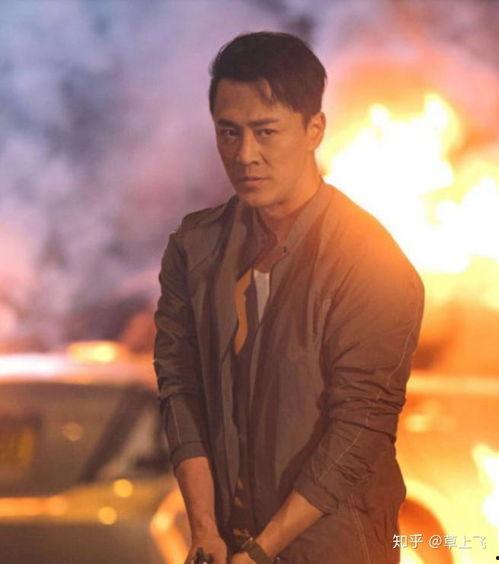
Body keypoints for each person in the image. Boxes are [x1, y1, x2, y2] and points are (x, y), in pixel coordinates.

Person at [154, 31, 425, 564]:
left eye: (266, 132)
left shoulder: (370, 261)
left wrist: (262, 551)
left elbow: (359, 429)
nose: (245, 155)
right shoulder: (194, 248)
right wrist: (205, 528)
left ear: (313, 129)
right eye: (228, 133)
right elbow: (180, 390)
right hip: (227, 542)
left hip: (335, 548)